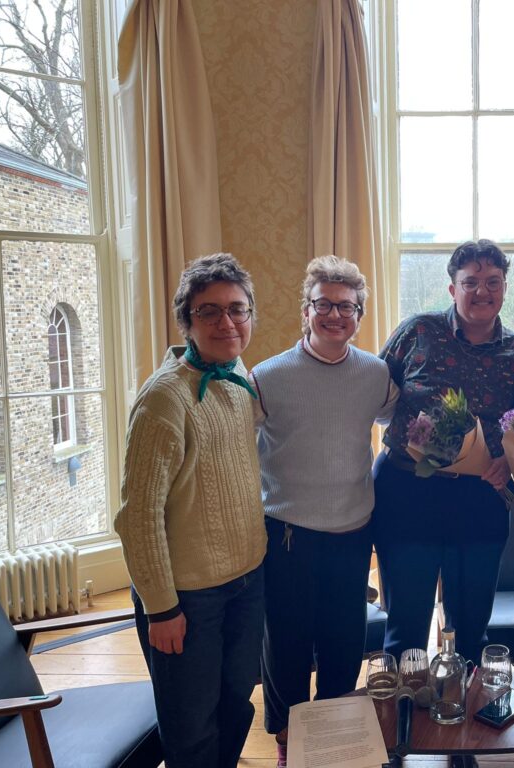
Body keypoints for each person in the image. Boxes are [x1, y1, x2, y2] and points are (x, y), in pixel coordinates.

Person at [115, 253, 266, 768]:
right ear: (187, 321)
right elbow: (137, 517)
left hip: (246, 581)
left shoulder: (237, 376)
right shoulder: (164, 399)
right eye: (209, 311)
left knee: (234, 705)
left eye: (237, 309)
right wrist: (161, 607)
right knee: (189, 724)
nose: (227, 322)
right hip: (187, 597)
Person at [252, 255, 396, 768]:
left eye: (346, 306)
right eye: (324, 305)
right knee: (287, 646)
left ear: (359, 313)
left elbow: (398, 422)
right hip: (288, 533)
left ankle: (335, 739)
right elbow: (234, 447)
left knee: (342, 643)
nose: (335, 315)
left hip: (353, 532)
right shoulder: (267, 376)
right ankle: (289, 739)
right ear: (305, 310)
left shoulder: (375, 374)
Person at [374, 239, 514, 674]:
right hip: (406, 491)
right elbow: (371, 390)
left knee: (472, 626)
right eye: (470, 282)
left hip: (479, 498)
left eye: (492, 282)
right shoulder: (418, 330)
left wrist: (511, 462)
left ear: (505, 287)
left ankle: (464, 728)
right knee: (405, 625)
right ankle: (401, 728)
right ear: (451, 288)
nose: (482, 291)